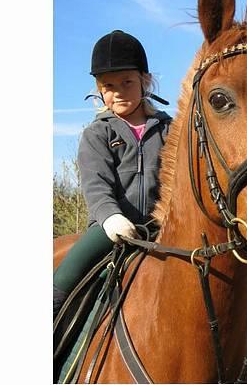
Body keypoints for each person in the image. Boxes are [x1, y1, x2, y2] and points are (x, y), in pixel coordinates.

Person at [53, 30, 172, 321]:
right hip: (110, 228)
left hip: (162, 228)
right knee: (64, 280)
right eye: (108, 85)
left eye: (127, 82)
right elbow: (96, 185)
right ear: (99, 89)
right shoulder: (96, 134)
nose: (118, 91)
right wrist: (110, 217)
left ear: (145, 80)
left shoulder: (171, 129)